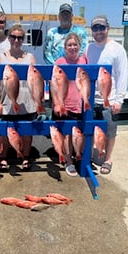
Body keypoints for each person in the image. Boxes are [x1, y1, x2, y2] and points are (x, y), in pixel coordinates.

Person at [83, 15, 128, 175]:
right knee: (90, 129)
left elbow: (123, 75)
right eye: (95, 28)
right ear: (92, 31)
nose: (98, 31)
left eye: (101, 28)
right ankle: (88, 155)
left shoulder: (117, 49)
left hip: (109, 99)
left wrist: (119, 100)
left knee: (110, 130)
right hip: (90, 99)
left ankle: (108, 159)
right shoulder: (88, 49)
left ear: (108, 28)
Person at [0, 23, 37, 170]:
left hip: (27, 101)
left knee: (27, 132)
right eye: (13, 37)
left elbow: (35, 82)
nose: (16, 40)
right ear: (8, 38)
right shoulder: (1, 58)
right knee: (6, 132)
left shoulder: (30, 57)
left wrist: (38, 100)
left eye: (20, 37)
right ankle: (4, 156)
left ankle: (25, 156)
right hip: (8, 102)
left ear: (23, 39)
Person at [52, 32, 87, 176]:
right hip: (64, 105)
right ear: (65, 47)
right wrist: (56, 103)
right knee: (66, 134)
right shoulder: (59, 62)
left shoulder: (84, 61)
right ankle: (68, 161)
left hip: (80, 104)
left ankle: (79, 156)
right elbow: (53, 86)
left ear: (79, 46)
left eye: (75, 44)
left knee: (79, 133)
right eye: (69, 45)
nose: (72, 47)